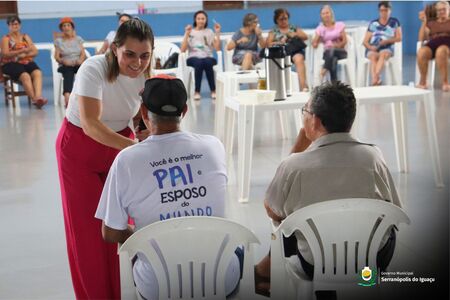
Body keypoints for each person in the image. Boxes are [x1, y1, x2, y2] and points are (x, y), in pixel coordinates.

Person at [95, 74, 242, 299]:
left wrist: (142, 237)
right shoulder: (214, 146)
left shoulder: (127, 160)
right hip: (219, 277)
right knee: (236, 247)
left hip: (159, 285)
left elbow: (110, 231)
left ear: (143, 113)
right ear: (184, 111)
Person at [254, 81, 402, 296]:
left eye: (304, 111)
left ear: (314, 120)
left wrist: (297, 148)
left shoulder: (294, 166)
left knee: (289, 223)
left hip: (316, 263)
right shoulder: (373, 157)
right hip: (372, 261)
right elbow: (394, 210)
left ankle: (276, 276)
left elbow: (272, 209)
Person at [55, 18, 154, 299]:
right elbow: (90, 124)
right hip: (79, 149)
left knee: (124, 225)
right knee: (90, 234)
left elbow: (139, 114)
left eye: (145, 55)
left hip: (119, 147)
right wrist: (134, 148)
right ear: (114, 49)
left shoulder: (147, 73)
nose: (137, 63)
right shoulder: (93, 68)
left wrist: (144, 133)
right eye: (130, 55)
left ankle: (127, 290)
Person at [1, 16, 47, 108]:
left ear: (20, 25)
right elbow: (5, 54)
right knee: (25, 75)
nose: (15, 26)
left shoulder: (25, 37)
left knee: (37, 72)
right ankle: (34, 100)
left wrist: (24, 55)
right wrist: (21, 51)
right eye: (12, 24)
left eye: (16, 24)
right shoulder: (6, 39)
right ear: (8, 26)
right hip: (10, 64)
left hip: (25, 61)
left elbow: (35, 51)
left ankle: (38, 97)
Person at [181, 10, 221, 101]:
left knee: (206, 62)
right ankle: (197, 91)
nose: (201, 21)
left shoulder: (210, 32)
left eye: (203, 18)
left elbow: (218, 48)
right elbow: (182, 50)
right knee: (199, 63)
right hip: (193, 57)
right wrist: (186, 34)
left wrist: (217, 33)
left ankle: (213, 90)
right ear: (195, 20)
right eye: (198, 18)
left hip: (208, 57)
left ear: (206, 20)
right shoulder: (190, 32)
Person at [267, 8, 309, 91]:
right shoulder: (274, 31)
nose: (284, 21)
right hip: (282, 53)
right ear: (276, 20)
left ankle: (303, 87)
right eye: (281, 19)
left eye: (285, 18)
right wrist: (279, 42)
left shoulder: (293, 28)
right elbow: (268, 44)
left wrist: (295, 35)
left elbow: (305, 37)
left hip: (295, 50)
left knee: (299, 59)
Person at [362, 1, 402, 86]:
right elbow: (365, 41)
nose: (383, 13)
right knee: (372, 56)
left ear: (390, 10)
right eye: (381, 10)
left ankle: (375, 79)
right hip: (374, 47)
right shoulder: (373, 23)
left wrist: (386, 41)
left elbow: (399, 38)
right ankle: (376, 80)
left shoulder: (394, 22)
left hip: (387, 47)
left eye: (386, 10)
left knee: (383, 54)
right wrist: (370, 47)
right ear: (379, 11)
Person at [417, 1, 450, 91]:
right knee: (422, 52)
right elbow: (421, 38)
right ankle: (423, 82)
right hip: (433, 43)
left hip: (447, 44)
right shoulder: (431, 23)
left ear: (449, 10)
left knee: (441, 51)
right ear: (436, 12)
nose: (441, 12)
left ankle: (445, 82)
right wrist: (424, 22)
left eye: (444, 9)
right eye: (439, 10)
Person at [54, 17, 87, 107]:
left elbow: (83, 53)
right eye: (64, 26)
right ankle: (67, 98)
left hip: (78, 62)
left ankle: (86, 97)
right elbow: (56, 57)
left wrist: (80, 60)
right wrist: (63, 61)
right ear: (61, 28)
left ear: (72, 27)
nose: (66, 27)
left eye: (68, 25)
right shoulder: (58, 41)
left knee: (85, 71)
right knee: (68, 72)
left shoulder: (78, 39)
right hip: (66, 64)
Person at [312, 5, 348, 83]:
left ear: (331, 14)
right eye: (323, 13)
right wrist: (318, 40)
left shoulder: (339, 25)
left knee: (331, 50)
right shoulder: (320, 28)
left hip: (340, 51)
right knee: (333, 60)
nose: (325, 15)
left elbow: (345, 41)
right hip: (328, 54)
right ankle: (335, 84)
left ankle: (324, 69)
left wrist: (337, 45)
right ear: (321, 16)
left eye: (327, 13)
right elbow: (314, 43)